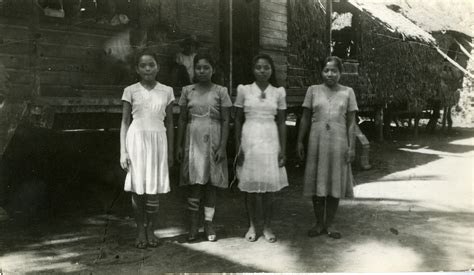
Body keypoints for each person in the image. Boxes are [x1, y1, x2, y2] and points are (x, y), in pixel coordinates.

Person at [297, 56, 358, 239]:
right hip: (317, 143)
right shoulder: (313, 90)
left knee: (333, 182)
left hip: (338, 144)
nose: (330, 74)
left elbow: (351, 122)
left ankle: (330, 223)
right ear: (321, 72)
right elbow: (305, 118)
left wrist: (352, 147)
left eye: (334, 71)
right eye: (326, 70)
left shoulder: (348, 92)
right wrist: (299, 141)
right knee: (318, 183)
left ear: (340, 73)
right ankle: (318, 223)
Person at [120, 50, 175, 249]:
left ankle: (151, 228)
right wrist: (123, 151)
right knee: (138, 188)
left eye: (151, 64)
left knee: (154, 189)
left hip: (158, 141)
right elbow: (125, 122)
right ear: (137, 69)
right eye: (143, 65)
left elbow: (169, 122)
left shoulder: (167, 91)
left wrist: (169, 152)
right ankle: (140, 230)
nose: (147, 69)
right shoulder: (130, 90)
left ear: (157, 67)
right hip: (136, 141)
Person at [177, 54, 232, 242]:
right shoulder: (187, 91)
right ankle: (193, 224)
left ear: (213, 70)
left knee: (210, 183)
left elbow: (226, 120)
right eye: (198, 67)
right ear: (194, 69)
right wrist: (179, 145)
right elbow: (182, 119)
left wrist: (223, 146)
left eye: (206, 67)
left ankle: (208, 223)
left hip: (214, 140)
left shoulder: (221, 91)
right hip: (193, 140)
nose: (202, 71)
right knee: (195, 183)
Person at [234, 53, 288, 243]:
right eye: (258, 67)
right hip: (250, 140)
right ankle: (252, 225)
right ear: (253, 69)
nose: (262, 71)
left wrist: (282, 149)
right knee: (251, 187)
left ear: (271, 70)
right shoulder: (244, 90)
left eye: (266, 67)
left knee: (269, 188)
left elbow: (282, 123)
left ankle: (267, 225)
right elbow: (238, 119)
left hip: (270, 140)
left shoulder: (278, 92)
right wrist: (238, 147)